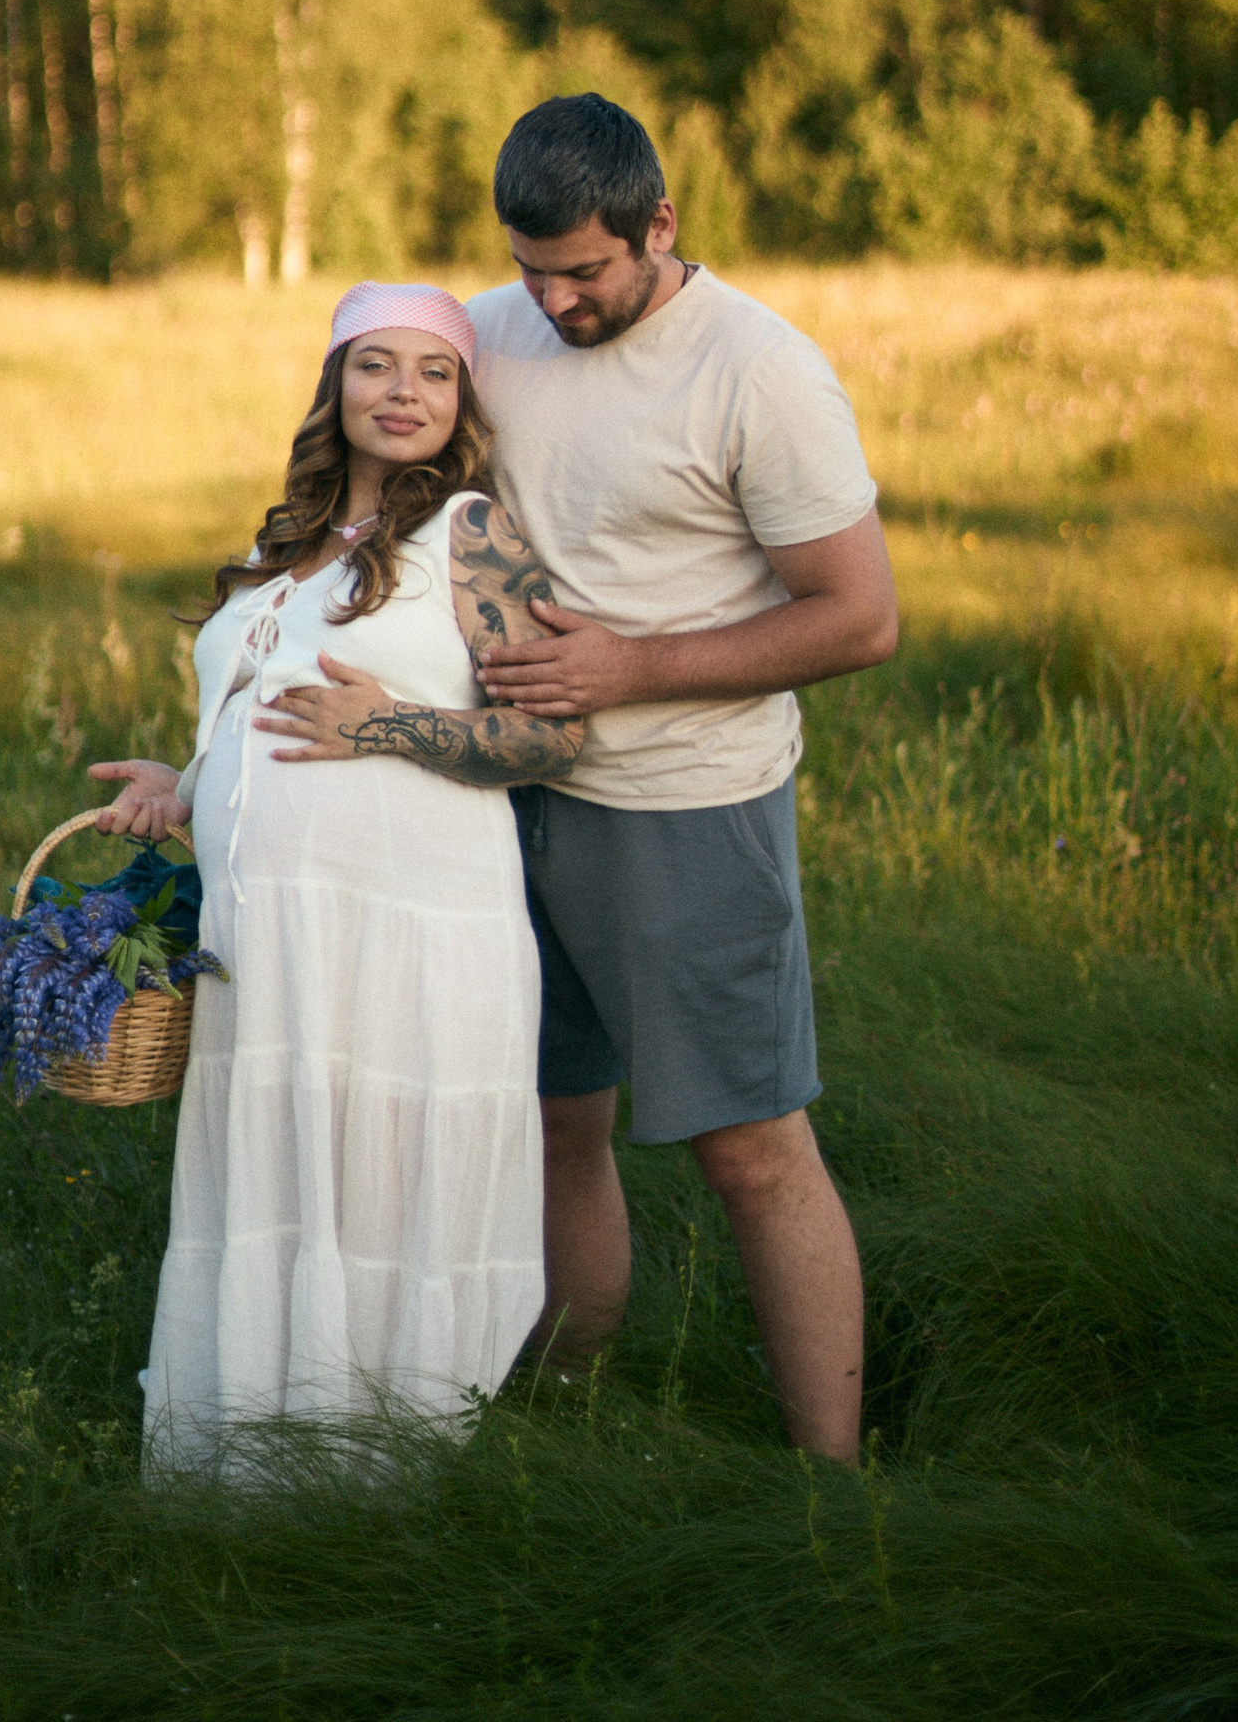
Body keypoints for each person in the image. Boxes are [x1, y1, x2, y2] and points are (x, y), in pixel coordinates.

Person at [466, 94, 899, 1463]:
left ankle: (832, 1488)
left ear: (660, 223)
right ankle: (561, 1424)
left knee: (750, 1153)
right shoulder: (486, 331)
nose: (555, 302)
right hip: (499, 801)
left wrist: (633, 669)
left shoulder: (760, 370)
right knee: (551, 1126)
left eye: (584, 272)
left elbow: (859, 619)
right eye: (532, 270)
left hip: (686, 811)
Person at [89, 282, 581, 1474]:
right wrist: (182, 783)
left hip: (410, 929)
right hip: (270, 941)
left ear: (461, 399)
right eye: (375, 365)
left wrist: (388, 726)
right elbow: (262, 719)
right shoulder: (284, 548)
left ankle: (381, 1472)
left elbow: (552, 738)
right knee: (277, 1182)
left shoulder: (469, 532)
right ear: (336, 385)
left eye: (433, 371)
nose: (402, 392)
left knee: (380, 1188)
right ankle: (251, 1466)